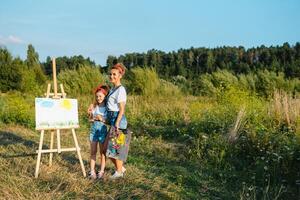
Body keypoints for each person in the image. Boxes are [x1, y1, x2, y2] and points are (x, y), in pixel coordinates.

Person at [104, 63, 131, 179]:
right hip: (112, 119)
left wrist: (116, 124)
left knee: (115, 149)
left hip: (118, 121)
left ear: (120, 75)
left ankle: (119, 172)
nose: (111, 76)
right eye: (110, 74)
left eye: (114, 74)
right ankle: (121, 168)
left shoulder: (121, 90)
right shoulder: (112, 89)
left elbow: (122, 109)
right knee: (106, 148)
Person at [87, 84, 110, 179]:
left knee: (102, 152)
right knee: (93, 151)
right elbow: (90, 119)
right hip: (93, 130)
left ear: (105, 96)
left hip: (102, 131)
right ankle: (92, 171)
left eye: (100, 96)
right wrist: (89, 115)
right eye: (97, 96)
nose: (98, 98)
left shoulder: (107, 108)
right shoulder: (93, 106)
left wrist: (102, 119)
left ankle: (101, 171)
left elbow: (108, 121)